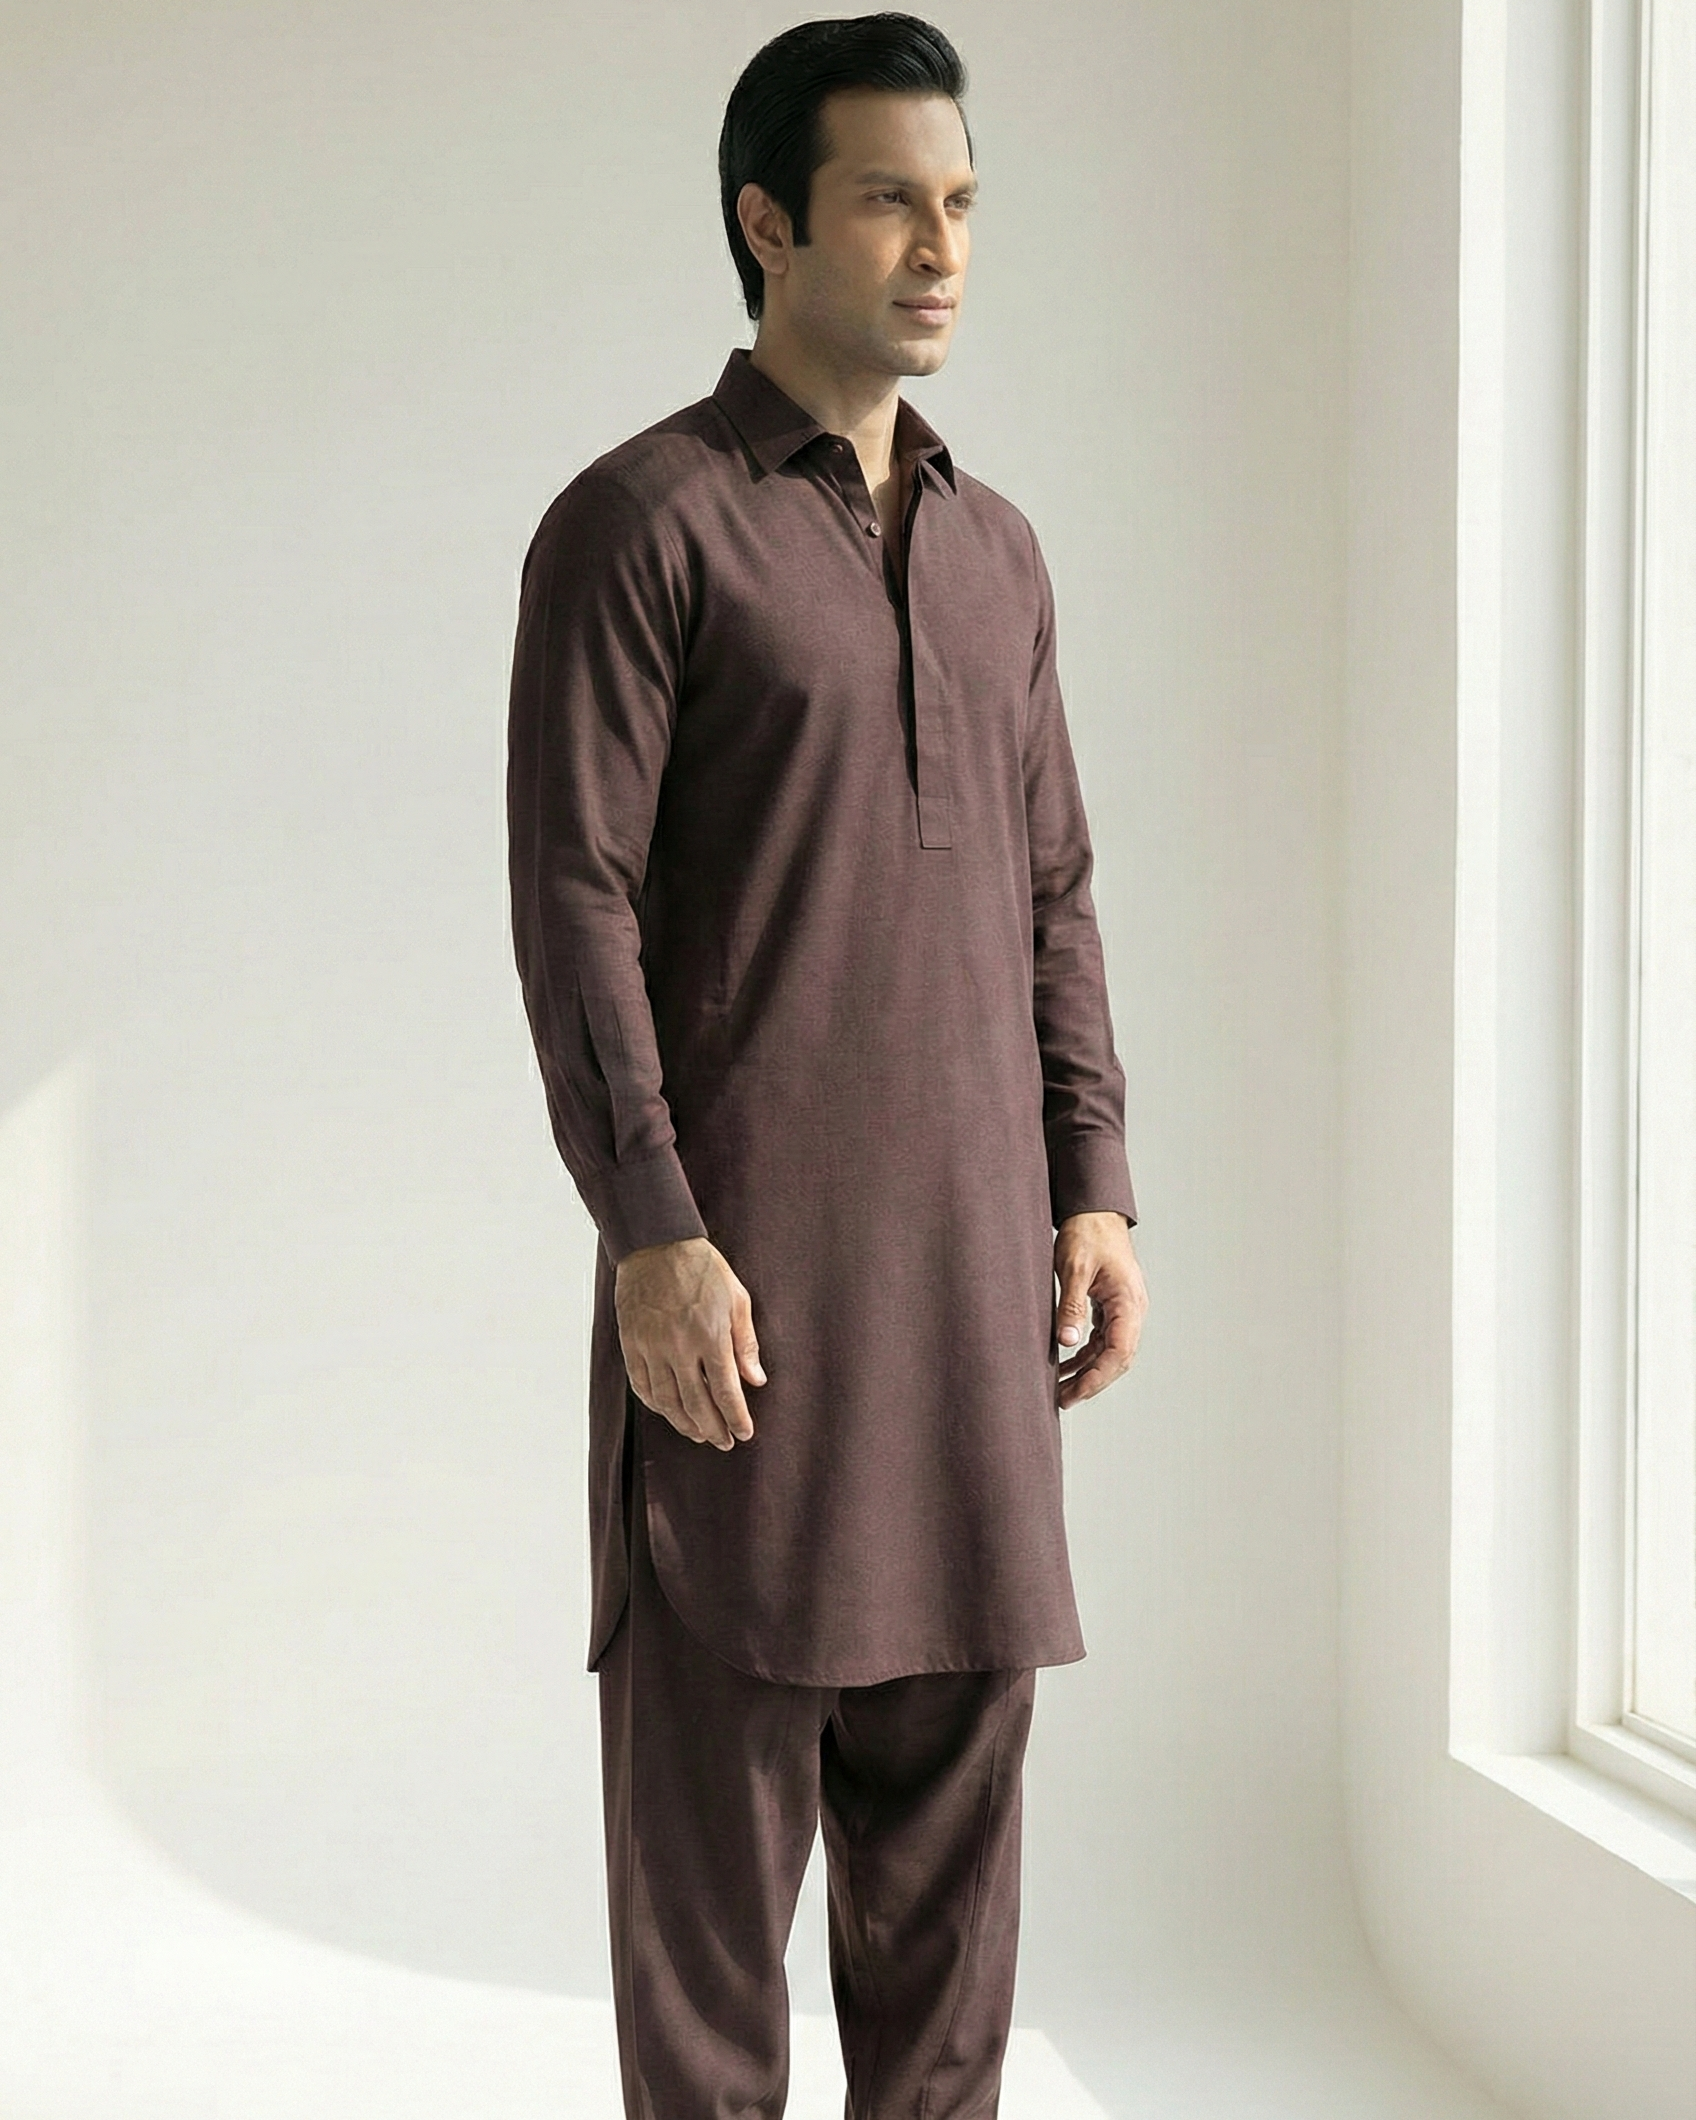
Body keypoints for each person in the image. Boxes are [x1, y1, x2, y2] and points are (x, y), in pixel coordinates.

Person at [505, 14, 1148, 2114]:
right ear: (768, 224)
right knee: (707, 1946)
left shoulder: (999, 551)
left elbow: (1052, 886)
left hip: (971, 1331)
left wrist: (1092, 1184)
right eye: (889, 202)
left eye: (960, 204)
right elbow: (575, 905)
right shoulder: (640, 526)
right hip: (741, 1331)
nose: (940, 249)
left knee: (948, 1949)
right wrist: (651, 1234)